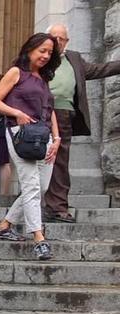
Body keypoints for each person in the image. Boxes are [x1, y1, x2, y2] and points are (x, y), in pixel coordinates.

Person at [0, 32, 62, 261]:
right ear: (29, 49)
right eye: (42, 50)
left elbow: (49, 111)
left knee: (39, 186)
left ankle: (4, 225)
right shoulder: (15, 73)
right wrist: (17, 113)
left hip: (44, 137)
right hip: (20, 135)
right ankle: (39, 239)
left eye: (50, 52)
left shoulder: (43, 79)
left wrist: (57, 138)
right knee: (31, 186)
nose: (46, 56)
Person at [43, 23, 120, 223]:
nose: (58, 42)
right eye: (54, 37)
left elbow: (97, 69)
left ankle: (57, 206)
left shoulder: (74, 58)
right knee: (39, 158)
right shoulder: (39, 56)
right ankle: (42, 204)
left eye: (62, 38)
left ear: (67, 42)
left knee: (59, 161)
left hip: (64, 114)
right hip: (41, 113)